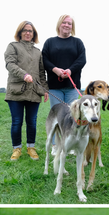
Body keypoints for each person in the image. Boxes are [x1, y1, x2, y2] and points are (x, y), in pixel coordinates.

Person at [4, 21, 49, 161]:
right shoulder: (13, 46)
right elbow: (10, 64)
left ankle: (31, 148)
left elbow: (42, 73)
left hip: (34, 92)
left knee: (32, 121)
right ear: (20, 32)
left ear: (34, 34)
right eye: (25, 30)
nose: (28, 33)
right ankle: (16, 149)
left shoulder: (38, 52)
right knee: (17, 121)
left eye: (30, 31)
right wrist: (24, 75)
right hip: (16, 91)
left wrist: (45, 89)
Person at [42, 14, 86, 153]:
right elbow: (44, 59)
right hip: (55, 86)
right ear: (59, 24)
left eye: (70, 23)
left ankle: (70, 143)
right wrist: (55, 70)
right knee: (57, 116)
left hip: (72, 86)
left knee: (72, 115)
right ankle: (55, 145)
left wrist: (70, 70)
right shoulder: (50, 42)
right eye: (64, 23)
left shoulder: (77, 42)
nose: (67, 25)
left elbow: (82, 60)